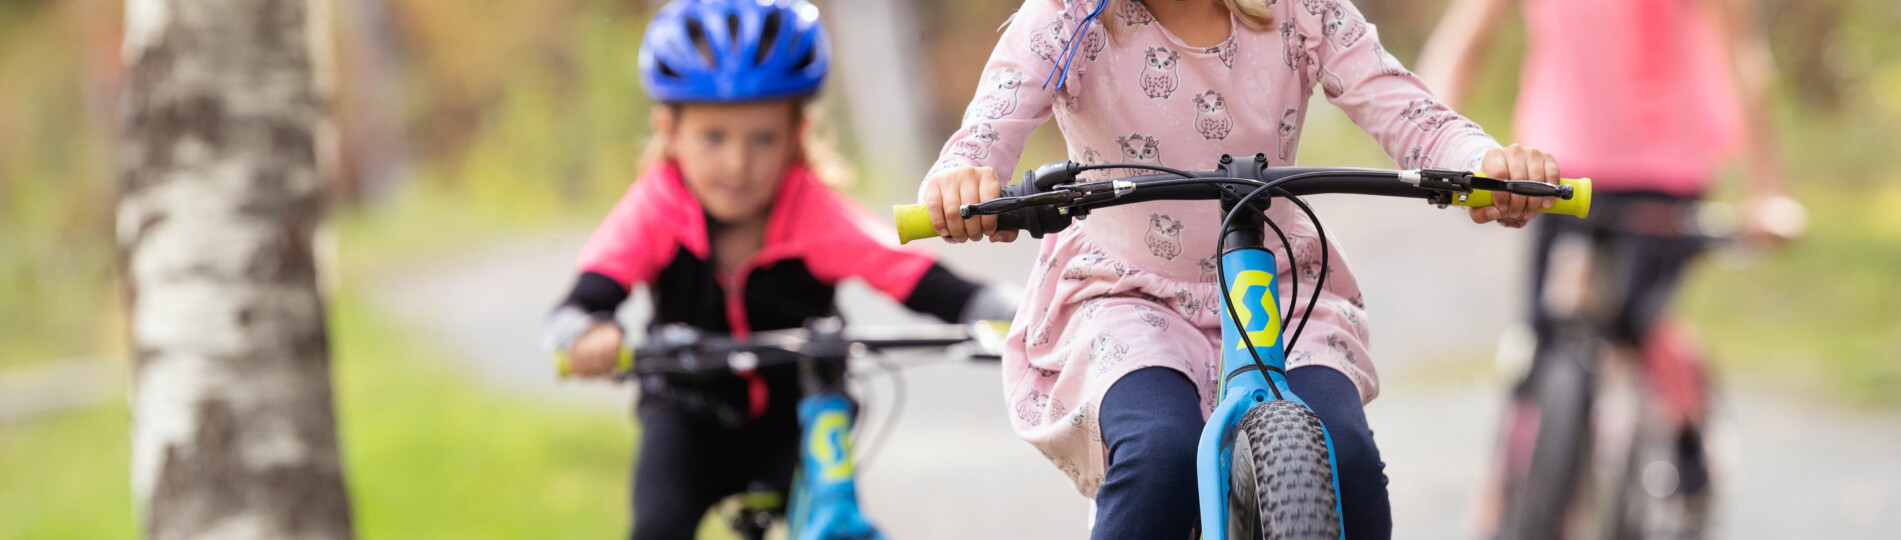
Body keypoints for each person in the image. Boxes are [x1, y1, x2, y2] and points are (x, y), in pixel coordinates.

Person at [919, 0, 1562, 537]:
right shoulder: (1071, 18)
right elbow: (990, 125)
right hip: (1127, 291)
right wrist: (963, 179)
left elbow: (1408, 111)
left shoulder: (1299, 10)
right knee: (1159, 453)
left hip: (1272, 283)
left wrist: (1485, 164)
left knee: (1348, 457)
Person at [543, 1, 1014, 538]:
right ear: (669, 130)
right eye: (714, 137)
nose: (738, 164)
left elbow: (917, 278)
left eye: (762, 138)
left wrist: (1011, 311)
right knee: (657, 526)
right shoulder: (656, 210)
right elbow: (580, 303)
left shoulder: (810, 211)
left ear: (797, 133)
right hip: (686, 415)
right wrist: (588, 332)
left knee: (832, 525)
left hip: (802, 414)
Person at [1419, 0, 1801, 531]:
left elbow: (1744, 52)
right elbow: (1464, 40)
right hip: (1556, 172)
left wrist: (1769, 191)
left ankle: (1689, 439)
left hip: (1666, 180)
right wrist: (1434, 145)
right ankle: (1505, 495)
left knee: (1639, 326)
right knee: (1543, 337)